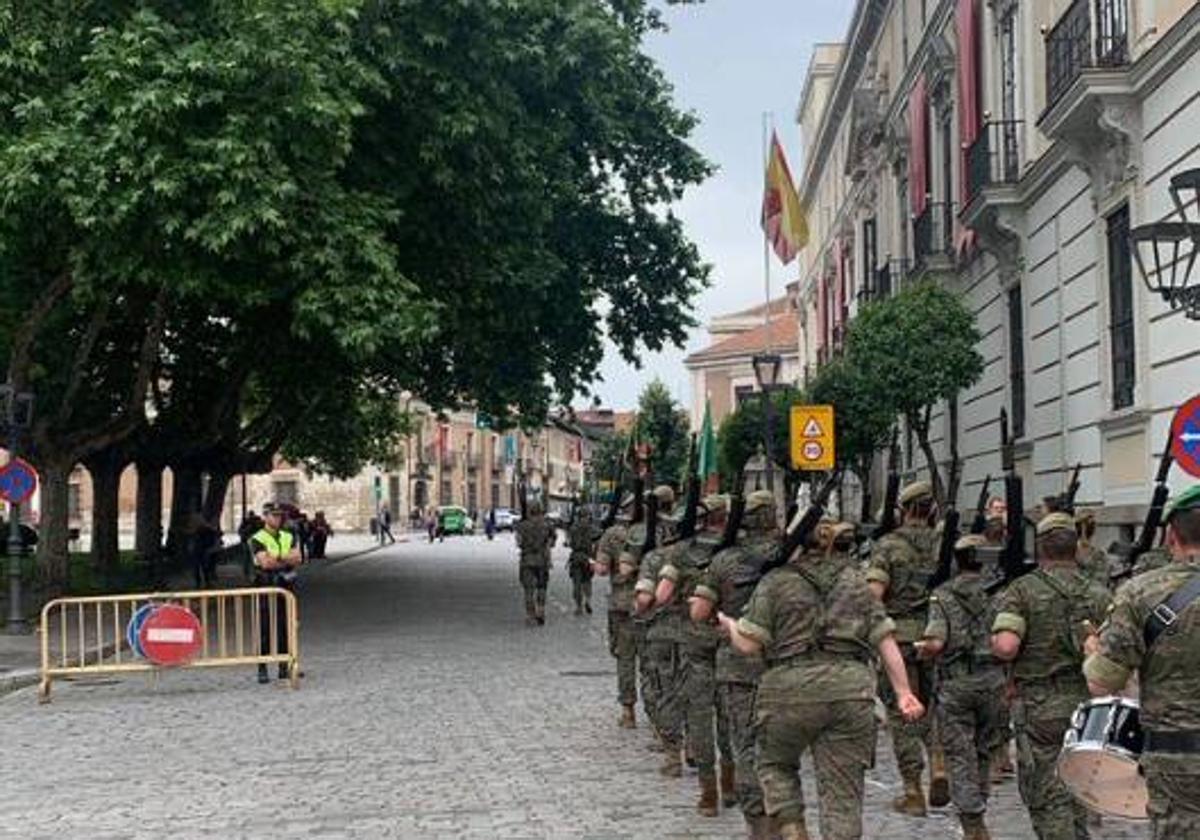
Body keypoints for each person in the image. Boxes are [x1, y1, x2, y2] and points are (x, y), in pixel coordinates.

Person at [719, 517, 926, 840]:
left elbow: (748, 643)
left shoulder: (775, 582)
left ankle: (792, 827)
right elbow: (885, 639)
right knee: (843, 793)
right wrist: (903, 693)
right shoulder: (856, 581)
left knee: (774, 764)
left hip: (787, 690)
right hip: (850, 691)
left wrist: (729, 624)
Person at [1083, 484, 1200, 840]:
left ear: (1170, 536)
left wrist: (1093, 652)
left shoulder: (1139, 593)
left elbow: (1102, 683)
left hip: (1176, 757)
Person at [990, 512, 1111, 840]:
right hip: (1088, 704)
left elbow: (1006, 645)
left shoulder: (1022, 591)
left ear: (1040, 548)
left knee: (1047, 796)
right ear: (1076, 548)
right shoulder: (1100, 593)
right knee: (1078, 793)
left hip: (1040, 706)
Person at [692, 490, 779, 839]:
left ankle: (757, 823)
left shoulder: (725, 559)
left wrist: (721, 617)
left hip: (738, 665)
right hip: (782, 663)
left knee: (746, 744)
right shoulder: (794, 553)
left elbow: (698, 612)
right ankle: (783, 815)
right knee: (778, 748)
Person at [866, 480, 947, 815]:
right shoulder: (945, 543)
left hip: (898, 638)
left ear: (903, 509)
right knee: (934, 707)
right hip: (937, 634)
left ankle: (912, 790)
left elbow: (873, 593)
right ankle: (940, 764)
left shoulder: (888, 546)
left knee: (903, 713)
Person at [918, 534, 1006, 840]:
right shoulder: (1000, 592)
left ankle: (972, 822)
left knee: (959, 753)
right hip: (994, 680)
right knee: (984, 749)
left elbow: (936, 641)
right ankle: (980, 801)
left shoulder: (943, 595)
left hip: (956, 683)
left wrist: (922, 649)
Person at [656, 495, 731, 818]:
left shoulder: (680, 552)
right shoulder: (734, 552)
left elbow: (661, 596)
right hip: (731, 643)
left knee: (699, 718)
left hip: (695, 645)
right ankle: (731, 782)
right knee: (731, 717)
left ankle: (708, 792)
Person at [249, 502, 304, 684]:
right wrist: (285, 559)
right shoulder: (257, 538)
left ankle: (283, 666)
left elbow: (298, 558)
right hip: (265, 584)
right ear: (265, 517)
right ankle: (262, 668)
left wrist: (277, 558)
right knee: (264, 627)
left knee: (285, 627)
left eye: (280, 515)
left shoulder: (288, 535)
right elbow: (265, 563)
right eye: (273, 515)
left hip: (285, 585)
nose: (278, 518)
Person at [592, 503, 635, 726]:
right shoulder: (664, 531)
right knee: (654, 663)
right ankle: (661, 721)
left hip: (623, 603)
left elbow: (601, 569)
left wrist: (594, 563)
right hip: (654, 606)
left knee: (625, 657)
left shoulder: (613, 534)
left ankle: (628, 711)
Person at [515, 500, 556, 625]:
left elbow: (519, 543)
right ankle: (541, 611)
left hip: (527, 561)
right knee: (542, 587)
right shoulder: (548, 525)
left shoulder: (522, 525)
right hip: (542, 560)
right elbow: (552, 542)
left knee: (528, 590)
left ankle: (530, 615)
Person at [566, 509, 595, 614]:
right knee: (587, 581)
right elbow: (597, 540)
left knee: (576, 583)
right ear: (587, 516)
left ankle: (579, 607)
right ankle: (588, 601)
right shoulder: (591, 528)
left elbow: (568, 542)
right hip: (588, 558)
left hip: (576, 557)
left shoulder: (573, 528)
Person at [187, 512, 222, 589]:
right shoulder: (207, 530)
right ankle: (205, 582)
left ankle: (201, 582)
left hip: (201, 550)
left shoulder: (199, 531)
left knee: (200, 567)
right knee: (203, 567)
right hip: (202, 550)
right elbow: (216, 535)